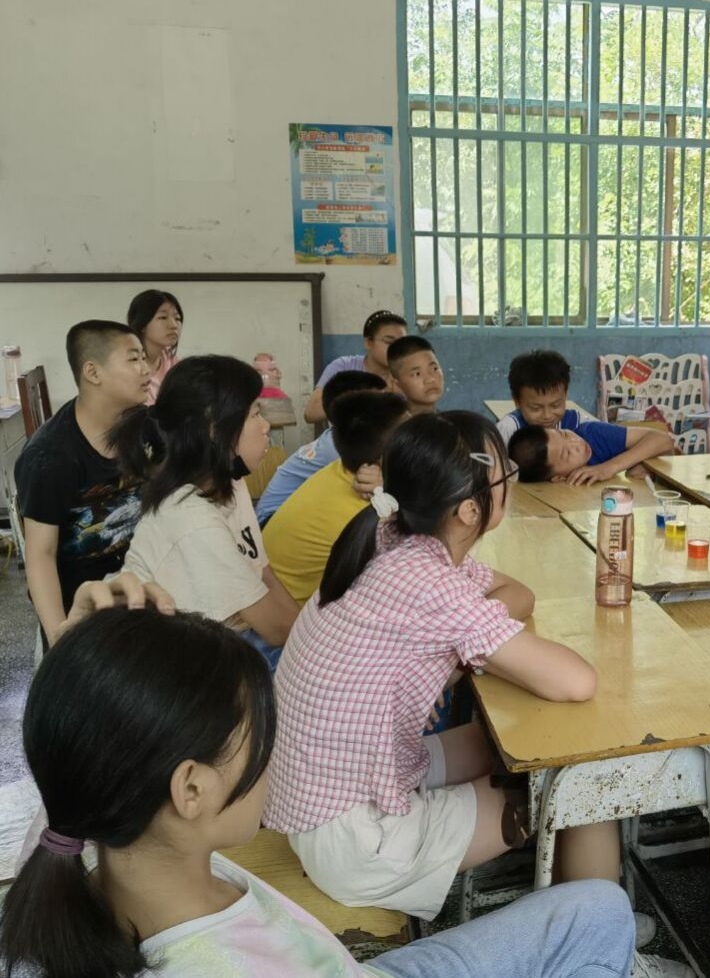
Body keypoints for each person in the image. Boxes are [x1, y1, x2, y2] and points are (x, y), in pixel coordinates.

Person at [0, 599, 636, 978]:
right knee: (601, 919)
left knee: (599, 909)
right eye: (261, 743)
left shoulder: (83, 832)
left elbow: (74, 743)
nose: (274, 758)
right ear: (191, 790)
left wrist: (88, 657)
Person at [264, 412, 611, 917]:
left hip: (325, 797)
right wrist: (464, 648)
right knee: (582, 777)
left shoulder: (393, 537)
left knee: (511, 739)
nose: (512, 482)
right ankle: (599, 938)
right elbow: (578, 681)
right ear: (470, 510)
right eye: (506, 474)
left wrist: (451, 658)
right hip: (359, 840)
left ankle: (569, 905)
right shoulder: (430, 581)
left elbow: (518, 594)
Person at [111, 356, 300, 667]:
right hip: (161, 667)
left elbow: (264, 573)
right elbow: (276, 629)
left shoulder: (231, 482)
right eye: (255, 414)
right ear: (214, 429)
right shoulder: (191, 517)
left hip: (212, 644)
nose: (266, 425)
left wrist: (305, 631)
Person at [16, 320, 151, 643]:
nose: (146, 369)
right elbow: (41, 555)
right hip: (80, 605)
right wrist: (59, 638)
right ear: (93, 372)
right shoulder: (50, 458)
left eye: (145, 358)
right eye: (134, 359)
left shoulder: (143, 426)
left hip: (137, 588)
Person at [264, 390, 409, 605]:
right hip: (287, 618)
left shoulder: (343, 469)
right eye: (414, 439)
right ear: (385, 457)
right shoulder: (368, 513)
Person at [255, 370, 388, 525]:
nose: (389, 410)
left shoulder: (340, 438)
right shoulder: (337, 448)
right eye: (379, 406)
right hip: (272, 520)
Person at [305, 310, 407, 423]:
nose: (397, 349)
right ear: (368, 342)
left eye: (402, 343)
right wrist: (369, 396)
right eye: (389, 342)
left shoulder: (407, 373)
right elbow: (311, 414)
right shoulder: (343, 367)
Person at [509, 422, 676, 486]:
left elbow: (664, 440)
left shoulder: (592, 434)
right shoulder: (561, 483)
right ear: (558, 478)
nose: (577, 443)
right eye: (567, 453)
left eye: (565, 434)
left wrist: (609, 467)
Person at [497, 348, 600, 446]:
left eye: (555, 405)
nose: (547, 416)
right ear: (517, 401)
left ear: (565, 395)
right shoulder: (508, 430)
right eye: (535, 408)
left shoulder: (579, 423)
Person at [126, 288, 183, 405]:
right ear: (142, 324)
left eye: (177, 318)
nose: (174, 325)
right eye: (163, 317)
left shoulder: (172, 362)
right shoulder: (127, 364)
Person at [387, 335, 445, 415]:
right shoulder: (391, 422)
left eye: (435, 368)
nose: (430, 379)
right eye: (417, 374)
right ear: (397, 385)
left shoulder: (452, 421)